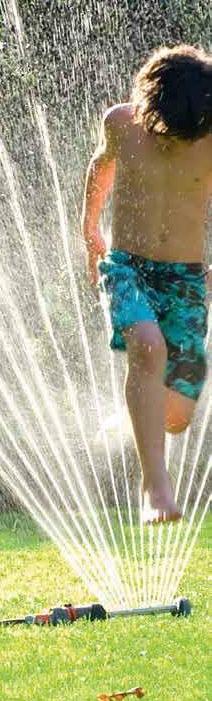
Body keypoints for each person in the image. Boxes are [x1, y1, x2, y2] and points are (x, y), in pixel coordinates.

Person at [82, 44, 212, 524]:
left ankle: (140, 416)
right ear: (149, 107)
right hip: (127, 266)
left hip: (185, 280)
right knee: (148, 349)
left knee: (176, 417)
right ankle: (154, 489)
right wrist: (89, 226)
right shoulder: (120, 123)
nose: (180, 143)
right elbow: (101, 167)